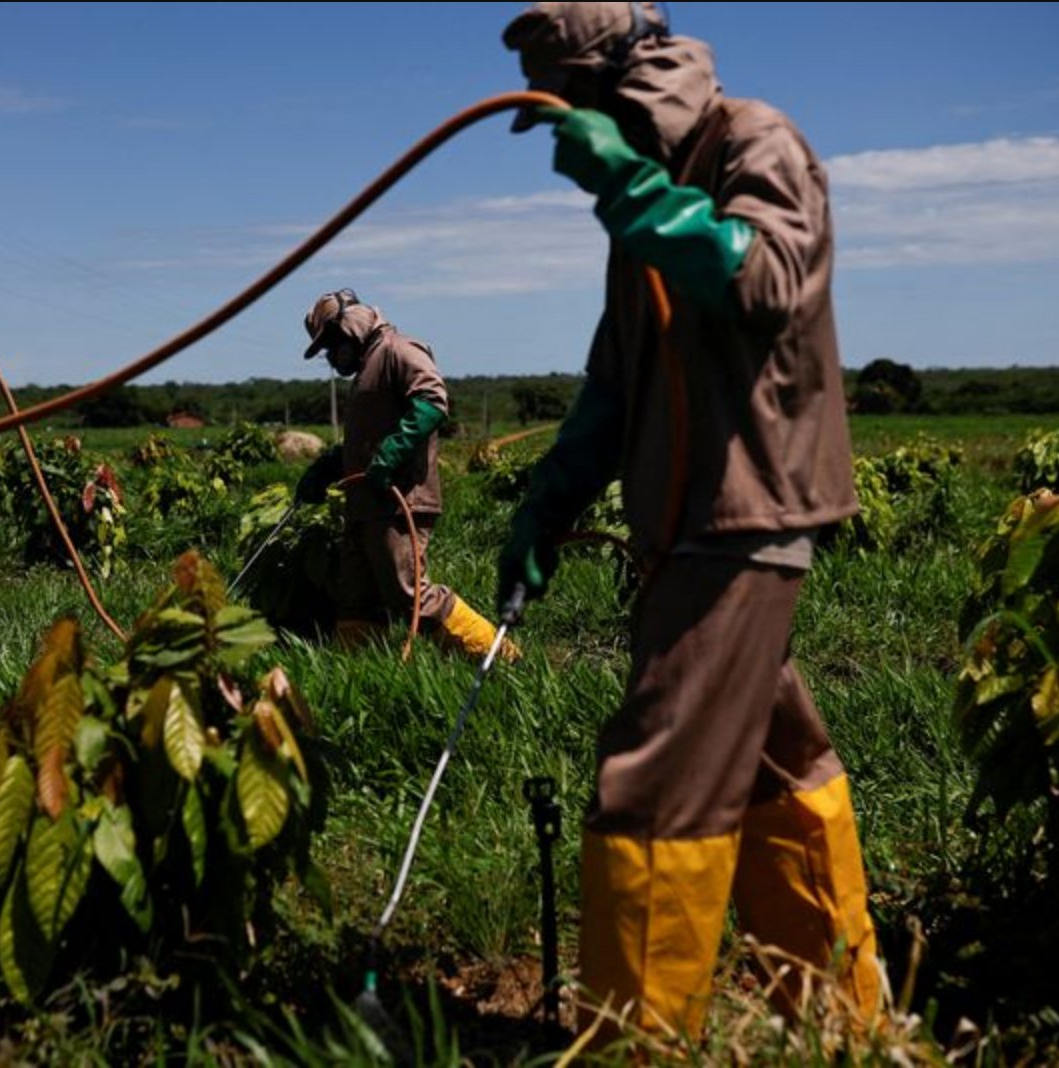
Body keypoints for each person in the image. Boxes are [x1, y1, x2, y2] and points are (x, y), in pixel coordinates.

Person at [497, 1, 882, 1039]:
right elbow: (614, 384)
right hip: (682, 517)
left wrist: (628, 184)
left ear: (618, 86)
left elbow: (762, 281)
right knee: (775, 758)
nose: (567, 137)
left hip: (746, 506)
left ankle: (633, 1043)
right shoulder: (643, 210)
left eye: (569, 105)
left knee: (654, 777)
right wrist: (547, 504)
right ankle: (839, 1020)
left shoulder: (753, 142)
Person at [295, 289, 514, 659]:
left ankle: (496, 655)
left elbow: (432, 402)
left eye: (332, 346)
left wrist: (390, 456)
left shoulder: (398, 350)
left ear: (351, 327)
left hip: (400, 500)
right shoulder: (366, 370)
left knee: (406, 591)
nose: (331, 358)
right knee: (355, 594)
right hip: (364, 503)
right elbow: (365, 440)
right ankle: (359, 673)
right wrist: (328, 466)